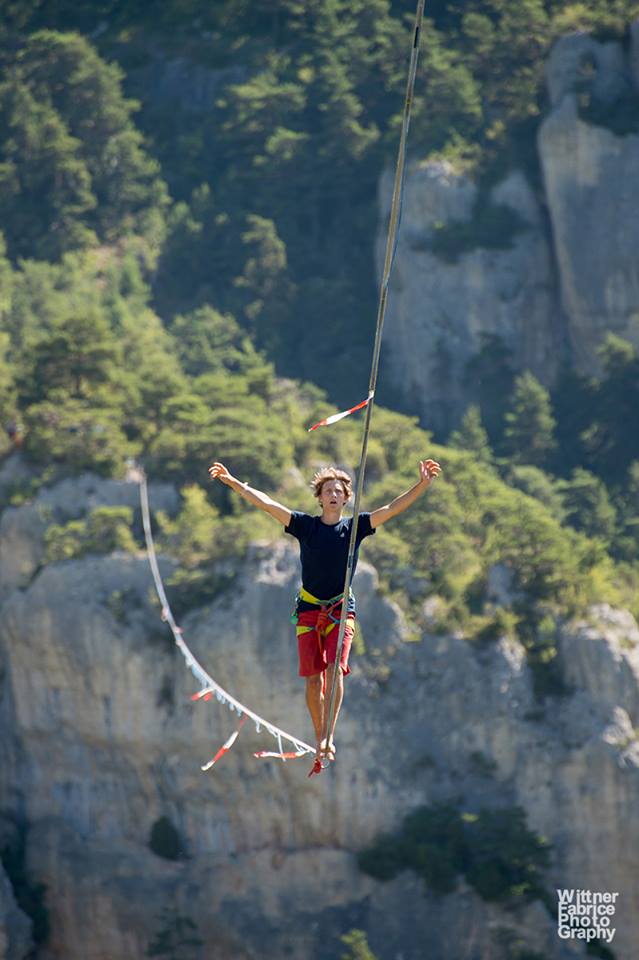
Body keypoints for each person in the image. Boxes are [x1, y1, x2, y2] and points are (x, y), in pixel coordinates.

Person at [208, 458, 441, 768]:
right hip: (308, 608)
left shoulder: (356, 527)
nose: (333, 494)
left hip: (340, 608)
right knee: (313, 680)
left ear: (346, 499)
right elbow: (267, 504)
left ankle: (329, 735)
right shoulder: (305, 526)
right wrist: (234, 482)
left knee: (334, 670)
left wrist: (422, 485)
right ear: (319, 498)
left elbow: (392, 508)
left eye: (339, 491)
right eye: (328, 490)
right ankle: (319, 736)